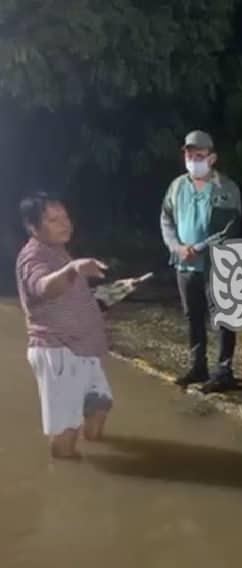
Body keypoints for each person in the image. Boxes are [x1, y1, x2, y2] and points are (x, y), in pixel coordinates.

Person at [16, 193, 113, 459]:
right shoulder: (32, 257)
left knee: (99, 406)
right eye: (53, 219)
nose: (64, 224)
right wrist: (73, 269)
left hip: (83, 349)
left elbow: (70, 298)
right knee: (65, 433)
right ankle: (68, 476)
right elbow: (44, 287)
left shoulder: (58, 250)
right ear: (33, 227)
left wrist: (111, 295)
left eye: (65, 216)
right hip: (58, 352)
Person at [160, 130, 242, 393]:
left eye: (199, 155)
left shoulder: (225, 187)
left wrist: (196, 248)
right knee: (192, 317)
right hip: (184, 265)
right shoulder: (177, 186)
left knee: (222, 318)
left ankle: (224, 370)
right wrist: (176, 246)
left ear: (212, 157)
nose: (193, 159)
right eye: (189, 154)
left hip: (216, 264)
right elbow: (166, 219)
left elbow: (227, 228)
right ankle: (198, 366)